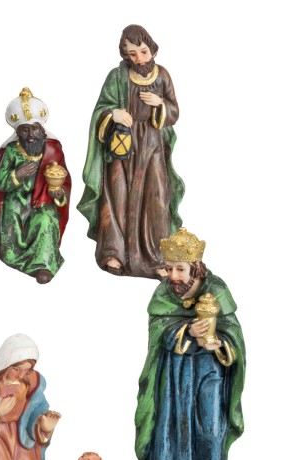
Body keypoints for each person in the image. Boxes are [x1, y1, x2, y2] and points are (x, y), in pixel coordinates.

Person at [135, 229, 246, 460]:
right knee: (169, 423)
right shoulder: (163, 292)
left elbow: (234, 333)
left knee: (210, 427)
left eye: (180, 269)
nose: (173, 276)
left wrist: (218, 341)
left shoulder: (217, 290)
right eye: (169, 268)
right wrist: (185, 330)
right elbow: (157, 329)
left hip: (210, 370)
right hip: (174, 369)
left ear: (195, 267)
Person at [78, 24, 185, 279]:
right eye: (132, 53)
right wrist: (113, 114)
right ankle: (113, 252)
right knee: (117, 195)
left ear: (152, 49)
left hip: (151, 145)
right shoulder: (117, 76)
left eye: (143, 52)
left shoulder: (162, 76)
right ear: (125, 54)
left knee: (157, 197)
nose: (139, 58)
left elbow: (174, 111)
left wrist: (160, 104)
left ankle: (157, 257)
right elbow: (100, 109)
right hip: (121, 144)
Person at [0, 88, 71, 284]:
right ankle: (13, 257)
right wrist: (17, 174)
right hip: (15, 200)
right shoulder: (11, 151)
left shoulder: (53, 150)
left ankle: (43, 265)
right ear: (17, 132)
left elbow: (65, 181)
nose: (30, 134)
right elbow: (0, 182)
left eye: (34, 129)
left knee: (45, 220)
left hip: (43, 200)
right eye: (25, 130)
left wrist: (59, 193)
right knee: (11, 223)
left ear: (42, 130)